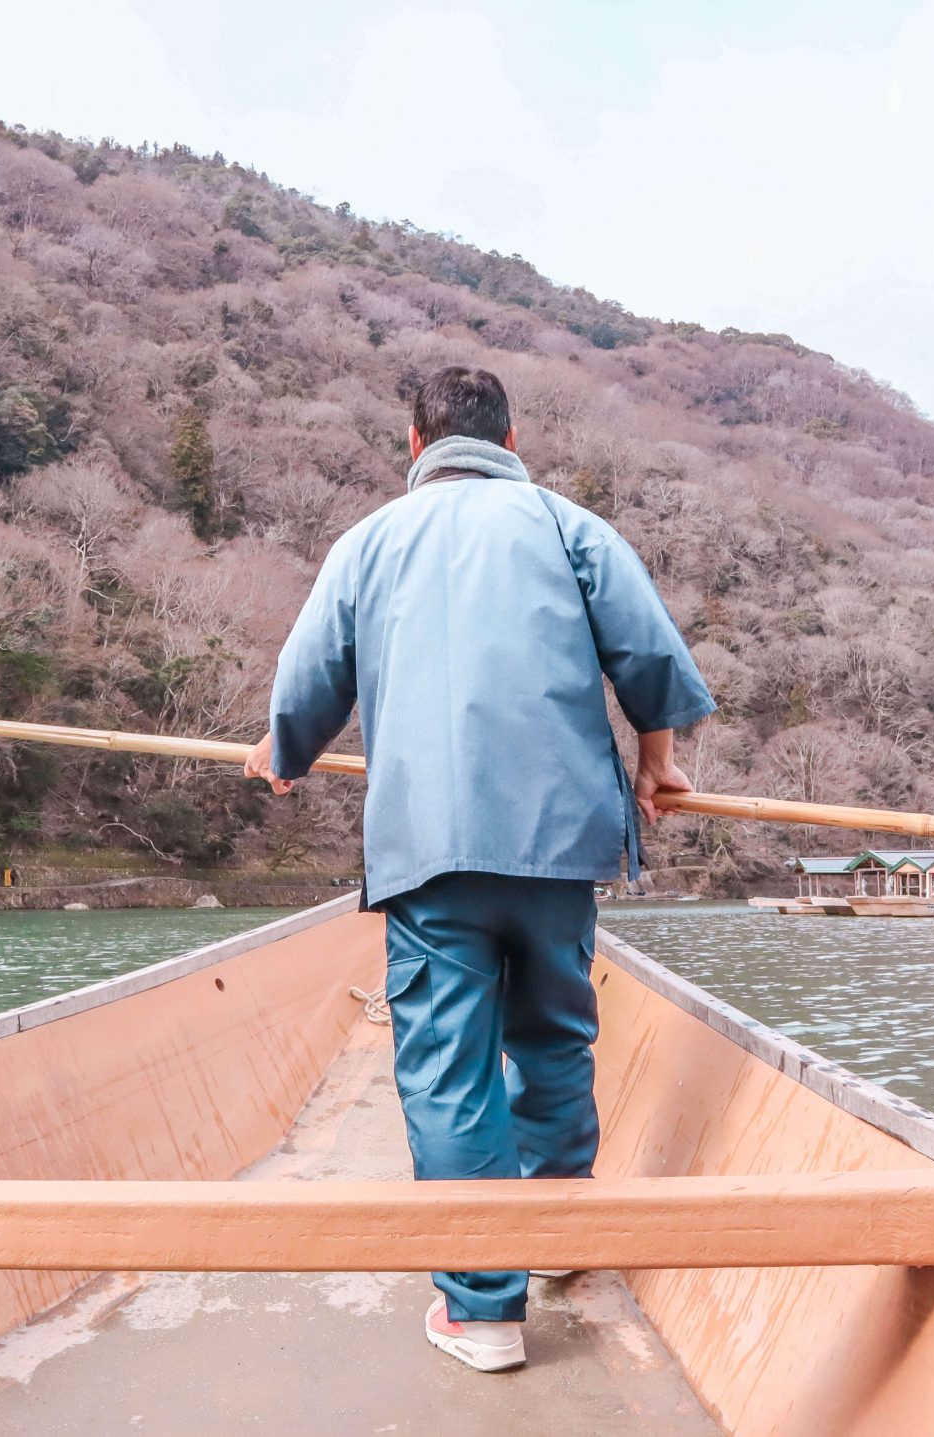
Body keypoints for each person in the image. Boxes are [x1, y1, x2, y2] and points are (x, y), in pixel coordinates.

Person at [245, 365, 713, 1373]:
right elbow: (646, 656)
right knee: (553, 1040)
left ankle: (481, 1312)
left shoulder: (370, 540)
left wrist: (281, 752)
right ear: (514, 436)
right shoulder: (567, 527)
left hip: (432, 850)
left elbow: (311, 674)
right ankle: (558, 1238)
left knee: (449, 1071)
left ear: (414, 444)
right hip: (560, 848)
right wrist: (658, 765)